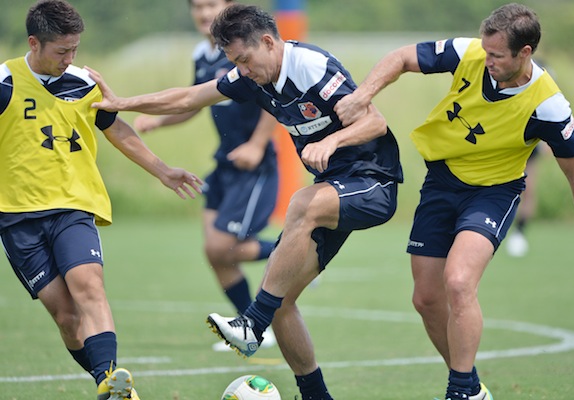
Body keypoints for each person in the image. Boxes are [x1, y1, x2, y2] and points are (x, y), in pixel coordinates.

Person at [87, 4, 403, 399]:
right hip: (333, 187)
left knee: (300, 205)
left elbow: (375, 121)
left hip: (374, 182)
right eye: (235, 62)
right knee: (283, 297)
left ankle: (252, 322)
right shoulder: (250, 76)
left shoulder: (311, 66)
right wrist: (124, 103)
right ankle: (315, 394)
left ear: (268, 42)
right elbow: (188, 98)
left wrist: (331, 140)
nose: (243, 69)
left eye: (245, 59)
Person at [335, 3, 574, 400]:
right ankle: (472, 387)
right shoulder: (471, 51)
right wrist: (362, 96)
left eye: (496, 55)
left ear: (524, 53)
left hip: (494, 192)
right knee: (426, 299)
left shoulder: (549, 106)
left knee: (458, 283)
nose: (486, 59)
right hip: (442, 181)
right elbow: (402, 57)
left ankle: (458, 391)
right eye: (485, 50)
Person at [0, 1, 202, 399]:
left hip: (74, 206)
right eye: (62, 51)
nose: (70, 58)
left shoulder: (83, 82)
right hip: (16, 217)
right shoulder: (4, 81)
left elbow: (115, 128)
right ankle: (107, 384)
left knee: (88, 286)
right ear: (34, 43)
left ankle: (111, 384)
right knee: (66, 316)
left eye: (75, 49)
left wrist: (163, 170)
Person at [133, 0, 279, 352]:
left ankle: (292, 254)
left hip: (253, 166)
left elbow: (276, 98)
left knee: (221, 246)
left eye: (211, 4)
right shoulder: (202, 55)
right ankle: (252, 327)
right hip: (225, 165)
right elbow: (193, 102)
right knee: (214, 253)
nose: (203, 13)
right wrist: (158, 120)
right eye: (197, 6)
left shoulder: (249, 50)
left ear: (228, 7)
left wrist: (257, 145)